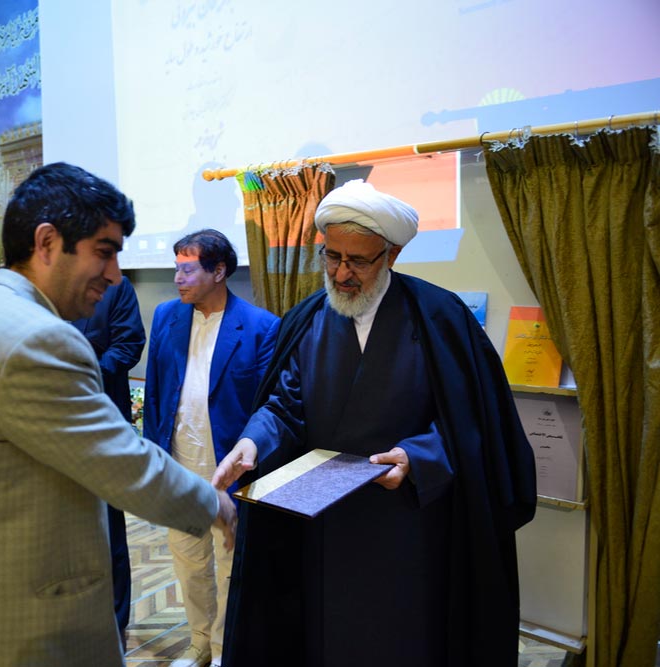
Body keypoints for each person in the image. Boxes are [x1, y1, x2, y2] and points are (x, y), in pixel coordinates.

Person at [0, 162, 237, 667]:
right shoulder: (38, 339)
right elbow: (124, 464)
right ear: (47, 243)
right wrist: (215, 504)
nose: (115, 275)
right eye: (104, 252)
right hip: (4, 637)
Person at [213, 180, 537, 667]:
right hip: (324, 528)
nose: (341, 273)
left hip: (407, 524)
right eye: (332, 256)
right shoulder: (308, 318)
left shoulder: (440, 317)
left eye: (358, 261)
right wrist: (253, 441)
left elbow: (472, 423)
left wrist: (417, 457)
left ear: (392, 255)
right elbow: (284, 406)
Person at [143, 229, 280, 667]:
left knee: (229, 563)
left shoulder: (260, 327)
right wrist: (154, 459)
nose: (177, 279)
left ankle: (224, 650)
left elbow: (266, 406)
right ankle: (200, 643)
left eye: (187, 270)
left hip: (229, 468)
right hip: (178, 463)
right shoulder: (166, 316)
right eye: (176, 269)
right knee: (188, 560)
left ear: (219, 271)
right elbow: (155, 391)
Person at [70, 275, 146, 646]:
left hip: (102, 422)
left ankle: (115, 623)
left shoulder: (117, 288)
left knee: (108, 527)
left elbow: (129, 343)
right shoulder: (48, 287)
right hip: (51, 427)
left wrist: (83, 377)